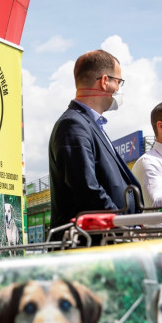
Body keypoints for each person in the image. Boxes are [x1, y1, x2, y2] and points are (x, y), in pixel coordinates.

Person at [48, 49, 140, 230]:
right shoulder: (73, 125)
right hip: (93, 241)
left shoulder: (89, 124)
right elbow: (87, 189)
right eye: (118, 82)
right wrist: (124, 226)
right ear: (105, 81)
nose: (119, 89)